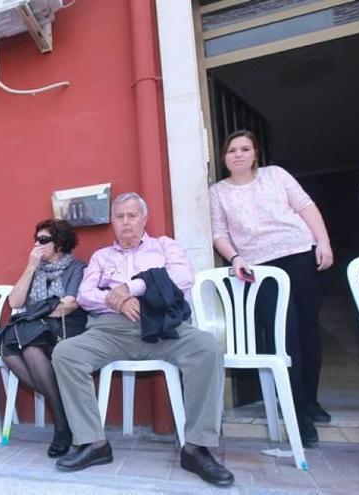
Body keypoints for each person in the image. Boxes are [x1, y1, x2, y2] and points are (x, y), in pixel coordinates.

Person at [51, 193, 234, 487]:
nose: (126, 222)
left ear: (144, 219)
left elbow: (181, 279)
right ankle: (93, 444)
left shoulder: (164, 246)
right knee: (66, 352)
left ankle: (197, 447)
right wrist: (117, 302)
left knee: (207, 347)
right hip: (111, 330)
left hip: (163, 328)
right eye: (120, 216)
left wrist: (132, 288)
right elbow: (85, 295)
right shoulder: (101, 257)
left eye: (132, 215)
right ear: (113, 221)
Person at [209, 129, 334, 446]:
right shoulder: (218, 192)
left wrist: (323, 242)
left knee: (308, 331)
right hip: (259, 268)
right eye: (232, 150)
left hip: (299, 256)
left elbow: (306, 207)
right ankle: (297, 415)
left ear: (255, 154)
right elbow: (219, 233)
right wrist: (235, 258)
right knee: (282, 338)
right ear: (224, 158)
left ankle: (310, 401)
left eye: (245, 149)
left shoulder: (276, 175)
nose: (238, 154)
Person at [0, 219, 86, 457]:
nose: (38, 244)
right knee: (7, 350)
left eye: (44, 240)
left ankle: (61, 427)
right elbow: (15, 302)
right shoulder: (35, 269)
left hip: (66, 326)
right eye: (36, 239)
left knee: (28, 347)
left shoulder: (76, 267)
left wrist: (37, 312)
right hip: (38, 328)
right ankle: (64, 415)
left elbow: (69, 304)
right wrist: (29, 267)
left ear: (59, 244)